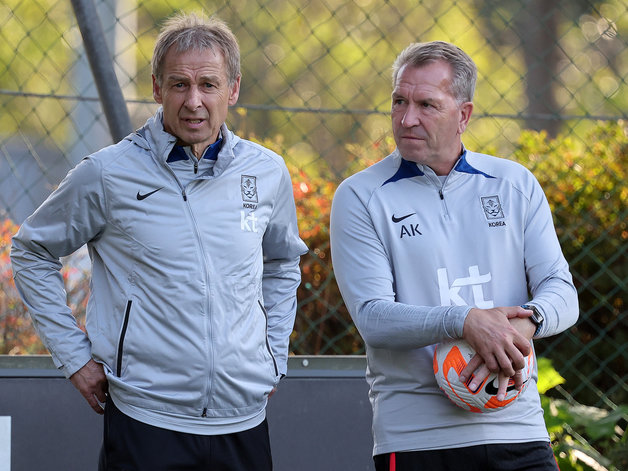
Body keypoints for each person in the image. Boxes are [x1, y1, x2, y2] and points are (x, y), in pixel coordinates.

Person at [11, 12, 307, 471]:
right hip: (145, 423)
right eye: (178, 85)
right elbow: (31, 252)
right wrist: (73, 356)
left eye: (208, 85)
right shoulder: (107, 173)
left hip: (243, 423)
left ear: (233, 89)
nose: (194, 101)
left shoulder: (266, 172)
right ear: (156, 88)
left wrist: (273, 354)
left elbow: (283, 263)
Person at [330, 41, 579, 470]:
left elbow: (562, 291)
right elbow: (373, 318)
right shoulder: (360, 196)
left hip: (518, 429)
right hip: (415, 438)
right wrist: (465, 320)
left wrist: (525, 320)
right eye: (399, 102)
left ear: (463, 115)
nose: (407, 119)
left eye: (427, 104)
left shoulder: (514, 184)